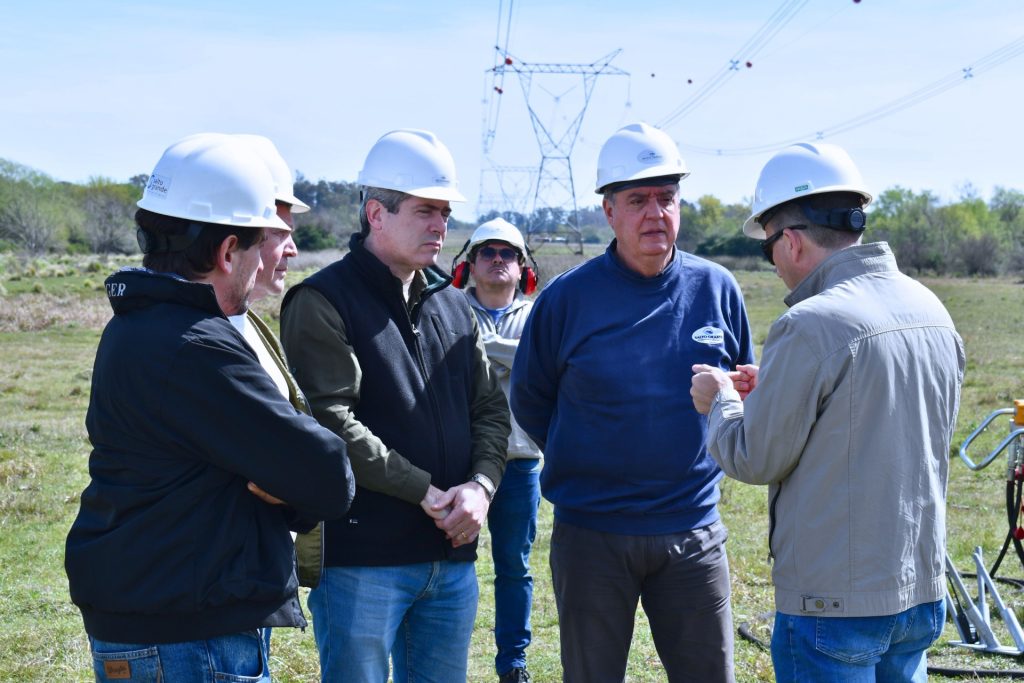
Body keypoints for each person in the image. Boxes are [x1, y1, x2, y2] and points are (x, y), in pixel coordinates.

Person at [64, 134, 355, 682]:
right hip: (190, 634)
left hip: (154, 614)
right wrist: (290, 486)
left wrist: (284, 481)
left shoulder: (135, 325)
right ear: (226, 252)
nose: (268, 258)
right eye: (259, 244)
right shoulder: (199, 347)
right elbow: (328, 475)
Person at [690, 142, 965, 683]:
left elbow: (752, 457)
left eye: (768, 250)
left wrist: (720, 400)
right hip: (918, 591)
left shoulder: (809, 324)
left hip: (832, 606)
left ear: (790, 241)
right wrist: (780, 388)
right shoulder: (930, 307)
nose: (774, 265)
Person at [510, 122, 754, 682]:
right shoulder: (567, 299)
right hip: (592, 534)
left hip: (692, 530)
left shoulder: (717, 288)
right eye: (637, 200)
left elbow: (739, 392)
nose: (654, 213)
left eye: (666, 198)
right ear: (609, 211)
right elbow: (531, 400)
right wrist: (594, 461)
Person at [279, 128, 511, 682]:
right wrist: (425, 491)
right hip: (364, 559)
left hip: (451, 557)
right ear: (376, 214)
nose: (440, 226)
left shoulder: (452, 303)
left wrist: (481, 487)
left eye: (445, 213)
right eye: (425, 210)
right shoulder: (323, 300)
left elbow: (489, 409)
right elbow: (331, 422)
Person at [455, 217, 542, 683]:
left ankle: (513, 662)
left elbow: (539, 361)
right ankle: (450, 654)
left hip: (520, 461)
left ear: (522, 265)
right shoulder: (449, 308)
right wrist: (515, 355)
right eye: (486, 252)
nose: (496, 260)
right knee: (454, 566)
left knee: (514, 566)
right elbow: (451, 358)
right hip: (460, 460)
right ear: (469, 264)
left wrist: (478, 348)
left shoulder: (538, 316)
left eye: (507, 253)